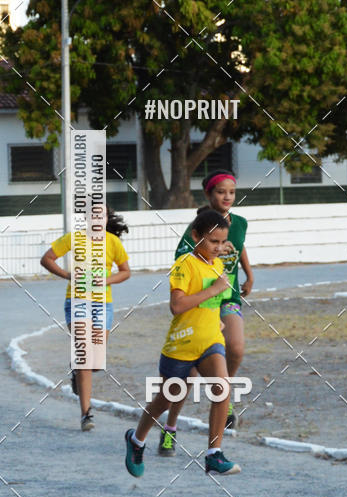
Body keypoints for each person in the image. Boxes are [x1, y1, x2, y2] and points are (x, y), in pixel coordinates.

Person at [125, 207, 241, 477]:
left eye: (222, 242)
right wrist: (213, 290)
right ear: (195, 236)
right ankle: (136, 440)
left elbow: (210, 303)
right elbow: (177, 306)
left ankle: (213, 453)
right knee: (165, 400)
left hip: (210, 341)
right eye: (213, 241)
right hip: (181, 345)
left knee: (222, 389)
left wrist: (217, 319)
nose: (218, 247)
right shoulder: (183, 265)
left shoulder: (219, 264)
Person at [157, 169, 253, 456]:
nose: (227, 196)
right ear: (210, 195)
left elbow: (241, 247)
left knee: (236, 347)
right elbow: (181, 259)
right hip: (200, 301)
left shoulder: (240, 223)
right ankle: (170, 427)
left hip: (228, 295)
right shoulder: (198, 228)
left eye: (232, 192)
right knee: (186, 378)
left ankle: (226, 398)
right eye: (221, 192)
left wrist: (249, 274)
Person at [40, 207, 130, 430]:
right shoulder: (74, 238)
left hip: (102, 304)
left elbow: (126, 271)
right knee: (85, 357)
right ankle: (86, 414)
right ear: (87, 219)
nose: (98, 219)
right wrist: (68, 275)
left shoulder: (112, 243)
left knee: (95, 361)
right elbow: (47, 259)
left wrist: (107, 281)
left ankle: (77, 373)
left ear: (107, 219)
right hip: (77, 301)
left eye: (102, 215)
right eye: (94, 215)